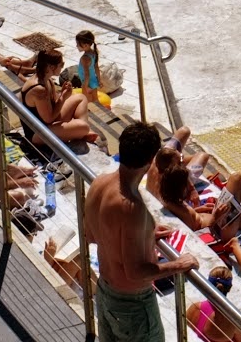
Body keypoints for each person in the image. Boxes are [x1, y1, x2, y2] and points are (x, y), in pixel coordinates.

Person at [85, 122, 200, 342]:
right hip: (132, 305)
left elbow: (92, 234)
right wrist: (179, 264)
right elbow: (136, 273)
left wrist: (144, 237)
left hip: (105, 292)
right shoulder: (132, 208)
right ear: (151, 160)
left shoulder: (99, 184)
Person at [23, 48, 102, 149]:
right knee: (84, 127)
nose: (62, 67)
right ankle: (81, 131)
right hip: (37, 133)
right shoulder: (39, 89)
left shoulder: (46, 79)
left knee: (81, 98)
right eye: (61, 65)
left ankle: (80, 132)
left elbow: (54, 104)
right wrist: (63, 98)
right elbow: (49, 119)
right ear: (51, 67)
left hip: (45, 122)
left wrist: (62, 94)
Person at [73, 29, 104, 105]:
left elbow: (87, 74)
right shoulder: (94, 53)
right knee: (95, 99)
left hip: (87, 82)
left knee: (86, 101)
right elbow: (96, 68)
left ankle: (88, 114)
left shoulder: (85, 58)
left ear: (86, 45)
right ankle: (100, 111)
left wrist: (85, 86)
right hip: (94, 81)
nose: (76, 46)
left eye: (78, 44)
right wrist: (99, 80)